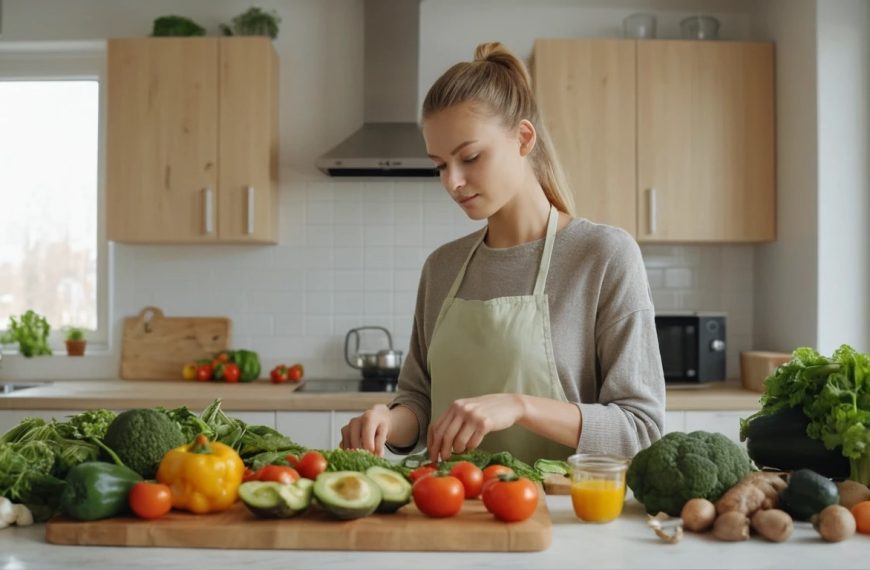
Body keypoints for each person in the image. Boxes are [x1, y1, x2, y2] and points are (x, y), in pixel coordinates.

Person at [340, 41, 665, 465]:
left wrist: (520, 406)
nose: (452, 182)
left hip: (559, 504)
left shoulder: (602, 256)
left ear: (523, 138)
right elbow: (419, 402)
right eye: (440, 165)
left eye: (470, 157)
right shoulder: (442, 267)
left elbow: (640, 430)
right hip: (450, 499)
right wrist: (387, 419)